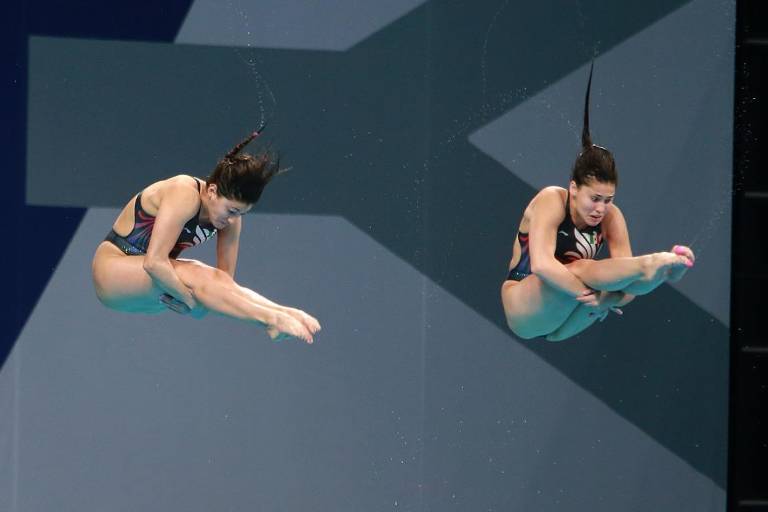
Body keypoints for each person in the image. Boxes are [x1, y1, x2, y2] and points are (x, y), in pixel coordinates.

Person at [500, 65, 694, 342]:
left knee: (615, 281)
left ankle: (666, 272)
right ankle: (650, 263)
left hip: (566, 319)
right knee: (581, 269)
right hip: (524, 304)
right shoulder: (552, 199)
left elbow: (626, 290)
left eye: (608, 199)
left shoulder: (612, 217)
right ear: (574, 188)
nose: (601, 208)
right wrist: (599, 296)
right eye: (594, 198)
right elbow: (542, 265)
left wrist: (607, 299)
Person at [92, 129, 320, 344]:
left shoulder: (231, 218)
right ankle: (271, 321)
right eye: (231, 210)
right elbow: (154, 263)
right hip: (113, 271)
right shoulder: (184, 192)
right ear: (212, 191)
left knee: (211, 280)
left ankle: (283, 312)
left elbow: (224, 284)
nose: (232, 219)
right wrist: (191, 303)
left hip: (152, 288)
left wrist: (275, 308)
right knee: (196, 270)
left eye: (241, 213)